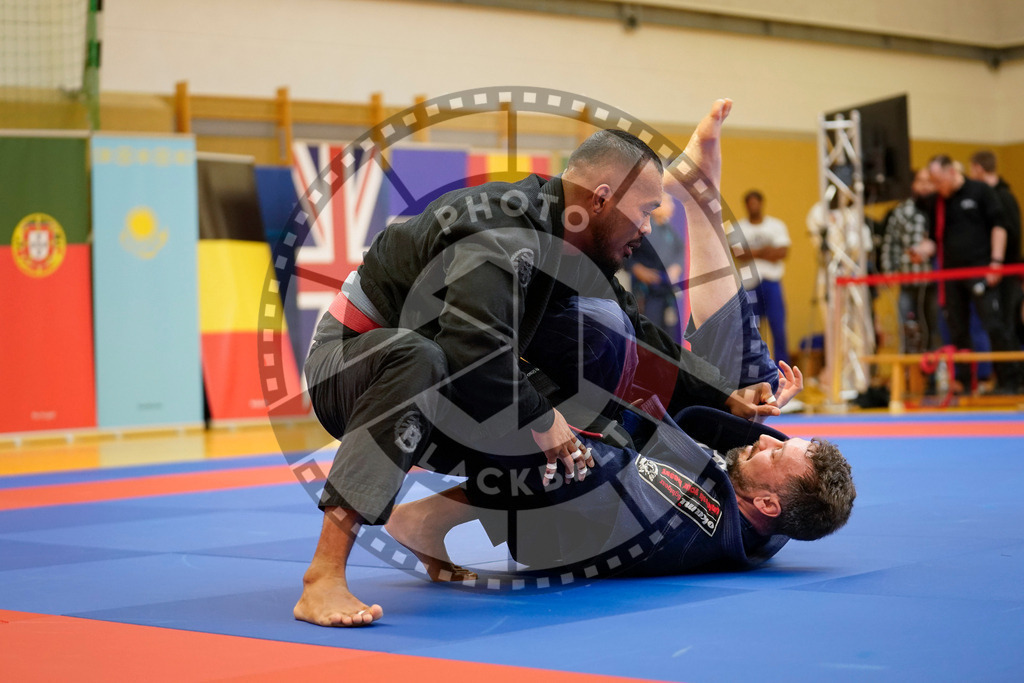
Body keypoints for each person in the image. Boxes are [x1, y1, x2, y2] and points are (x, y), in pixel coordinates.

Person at [293, 100, 780, 627]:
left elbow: (639, 336)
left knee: (592, 399)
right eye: (643, 212)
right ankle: (322, 577)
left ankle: (429, 526)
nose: (645, 229)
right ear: (601, 199)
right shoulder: (501, 231)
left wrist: (719, 395)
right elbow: (470, 349)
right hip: (351, 367)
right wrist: (540, 417)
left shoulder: (571, 244)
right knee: (429, 359)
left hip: (443, 384)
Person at [387, 100, 854, 579]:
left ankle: (428, 519)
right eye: (779, 444)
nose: (763, 443)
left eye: (774, 453)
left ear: (767, 504)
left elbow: (613, 457)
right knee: (749, 382)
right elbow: (779, 468)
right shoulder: (777, 512)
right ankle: (699, 194)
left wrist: (544, 412)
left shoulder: (691, 519)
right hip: (644, 453)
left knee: (603, 356)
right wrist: (732, 401)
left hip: (571, 500)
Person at [926, 155, 1022, 394]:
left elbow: (1000, 225)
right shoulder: (939, 202)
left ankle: (1011, 381)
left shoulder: (980, 191)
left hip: (981, 269)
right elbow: (934, 239)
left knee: (994, 324)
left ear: (951, 172)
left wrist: (996, 262)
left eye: (939, 180)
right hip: (951, 274)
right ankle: (966, 382)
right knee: (957, 328)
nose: (938, 187)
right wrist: (921, 250)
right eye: (934, 182)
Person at [880, 168, 942, 355]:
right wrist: (889, 270)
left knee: (934, 327)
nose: (924, 186)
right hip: (908, 280)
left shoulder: (940, 209)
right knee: (907, 329)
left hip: (933, 281)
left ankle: (934, 376)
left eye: (928, 181)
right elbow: (890, 242)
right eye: (920, 181)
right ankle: (909, 375)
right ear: (912, 185)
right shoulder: (902, 211)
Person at [970, 150, 1024, 356]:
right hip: (1001, 270)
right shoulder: (996, 195)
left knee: (1005, 325)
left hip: (1004, 271)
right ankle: (1007, 379)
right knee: (998, 324)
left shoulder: (1001, 197)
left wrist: (996, 262)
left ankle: (1012, 379)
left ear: (978, 169)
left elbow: (1011, 233)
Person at [734, 190, 791, 365]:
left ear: (761, 203)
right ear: (746, 206)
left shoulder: (776, 225)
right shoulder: (737, 228)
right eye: (750, 203)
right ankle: (757, 371)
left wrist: (752, 251)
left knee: (778, 327)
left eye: (756, 202)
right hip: (749, 284)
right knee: (752, 329)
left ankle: (782, 371)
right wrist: (766, 250)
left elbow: (782, 252)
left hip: (771, 282)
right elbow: (738, 253)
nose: (753, 206)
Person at [626, 192, 686, 341]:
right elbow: (624, 252)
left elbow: (680, 250)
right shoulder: (642, 228)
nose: (672, 206)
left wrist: (676, 268)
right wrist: (637, 269)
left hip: (666, 292)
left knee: (669, 337)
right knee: (649, 336)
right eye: (669, 202)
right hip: (646, 294)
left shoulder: (668, 230)